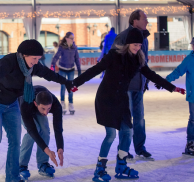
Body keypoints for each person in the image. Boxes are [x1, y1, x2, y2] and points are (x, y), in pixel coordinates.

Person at [67, 28, 185, 180]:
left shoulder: (138, 60)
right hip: (107, 98)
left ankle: (121, 165)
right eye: (134, 44)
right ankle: (99, 169)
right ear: (128, 44)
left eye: (139, 45)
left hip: (121, 100)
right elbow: (96, 69)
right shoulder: (113, 56)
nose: (137, 47)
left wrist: (172, 87)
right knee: (111, 135)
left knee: (127, 132)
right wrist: (76, 82)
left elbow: (151, 75)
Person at [0, 39, 70, 182]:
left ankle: (12, 177)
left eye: (39, 59)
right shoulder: (10, 61)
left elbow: (49, 75)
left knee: (15, 141)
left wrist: (67, 82)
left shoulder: (32, 67)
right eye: (35, 58)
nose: (37, 62)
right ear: (24, 55)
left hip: (12, 104)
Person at [111, 9, 151, 160]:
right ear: (135, 21)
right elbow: (114, 60)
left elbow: (144, 61)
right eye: (144, 19)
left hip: (139, 85)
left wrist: (145, 81)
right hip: (125, 86)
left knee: (140, 118)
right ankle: (123, 150)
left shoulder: (144, 39)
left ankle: (140, 148)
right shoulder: (122, 37)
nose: (147, 21)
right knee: (126, 119)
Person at [155, 37, 194, 156]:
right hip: (193, 96)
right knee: (193, 120)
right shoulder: (189, 60)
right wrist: (165, 81)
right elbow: (178, 72)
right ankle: (190, 144)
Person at [18, 85, 64, 180]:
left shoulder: (56, 105)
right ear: (36, 104)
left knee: (45, 130)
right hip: (20, 106)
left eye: (49, 109)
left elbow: (58, 128)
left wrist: (60, 147)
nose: (46, 113)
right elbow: (32, 130)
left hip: (36, 103)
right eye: (43, 109)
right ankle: (21, 165)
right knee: (33, 133)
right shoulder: (25, 103)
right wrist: (47, 151)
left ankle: (43, 164)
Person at [51, 32, 81, 115]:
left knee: (71, 86)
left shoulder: (74, 47)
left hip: (71, 69)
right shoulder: (62, 47)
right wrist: (52, 65)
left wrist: (79, 69)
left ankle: (71, 104)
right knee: (63, 86)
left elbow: (77, 58)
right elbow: (56, 56)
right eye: (71, 38)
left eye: (73, 38)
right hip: (62, 69)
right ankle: (62, 103)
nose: (72, 40)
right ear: (67, 38)